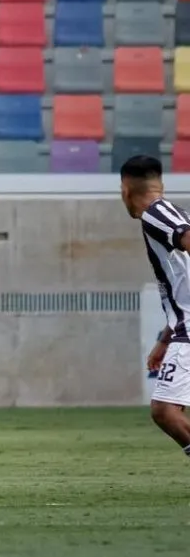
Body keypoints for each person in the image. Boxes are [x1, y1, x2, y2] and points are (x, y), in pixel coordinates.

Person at [120, 155, 190, 459]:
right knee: (167, 408)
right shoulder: (172, 215)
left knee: (165, 410)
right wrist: (165, 339)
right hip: (181, 328)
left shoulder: (156, 214)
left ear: (125, 190)